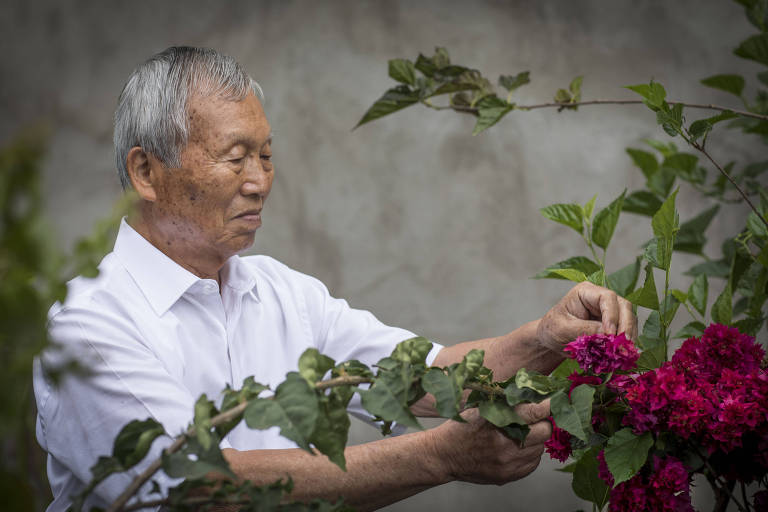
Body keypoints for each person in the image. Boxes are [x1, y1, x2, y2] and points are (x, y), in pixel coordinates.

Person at [33, 46, 637, 512]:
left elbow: (423, 380)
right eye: (235, 154)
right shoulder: (89, 327)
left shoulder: (279, 291)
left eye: (266, 155)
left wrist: (545, 337)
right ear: (146, 169)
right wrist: (440, 456)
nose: (259, 180)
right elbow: (200, 488)